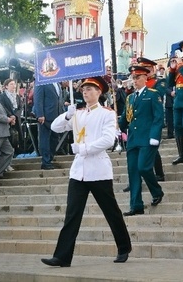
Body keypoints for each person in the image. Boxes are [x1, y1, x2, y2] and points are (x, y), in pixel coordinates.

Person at [42, 76, 132, 267]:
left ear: (99, 93)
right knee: (72, 215)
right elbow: (55, 127)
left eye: (90, 89)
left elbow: (108, 140)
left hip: (98, 170)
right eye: (83, 89)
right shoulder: (78, 113)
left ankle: (124, 247)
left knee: (111, 212)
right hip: (79, 171)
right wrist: (67, 114)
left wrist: (84, 148)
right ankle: (62, 256)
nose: (85, 92)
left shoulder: (106, 113)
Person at [119, 66, 165, 216]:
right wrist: (116, 125)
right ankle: (136, 205)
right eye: (133, 78)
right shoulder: (130, 98)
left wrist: (154, 136)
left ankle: (156, 191)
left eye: (138, 77)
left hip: (147, 138)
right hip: (133, 139)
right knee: (133, 172)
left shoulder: (153, 94)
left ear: (146, 78)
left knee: (144, 168)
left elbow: (158, 118)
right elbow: (126, 118)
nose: (135, 81)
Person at [32, 82, 63, 169]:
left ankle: (50, 158)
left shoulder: (58, 84)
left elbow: (59, 99)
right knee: (45, 139)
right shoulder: (41, 82)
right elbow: (38, 99)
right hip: (45, 116)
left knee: (55, 138)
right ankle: (45, 162)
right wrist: (40, 114)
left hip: (57, 115)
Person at [0, 78, 22, 152]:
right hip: (7, 119)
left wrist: (15, 116)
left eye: (14, 84)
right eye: (11, 84)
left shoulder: (17, 96)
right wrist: (10, 116)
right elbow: (2, 107)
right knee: (9, 136)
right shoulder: (2, 96)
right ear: (6, 86)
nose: (13, 86)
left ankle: (17, 150)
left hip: (16, 119)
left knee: (17, 136)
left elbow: (20, 107)